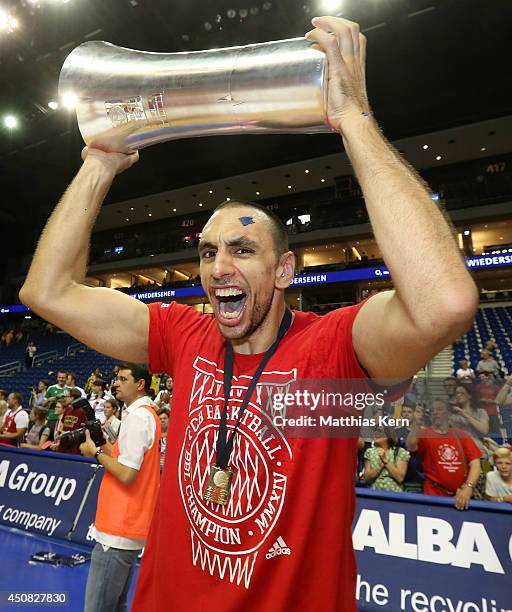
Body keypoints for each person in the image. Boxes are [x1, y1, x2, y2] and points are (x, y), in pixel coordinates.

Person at [19, 16, 478, 611]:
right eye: (208, 252)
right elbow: (46, 290)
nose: (217, 267)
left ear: (284, 271)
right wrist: (101, 161)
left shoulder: (333, 352)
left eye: (241, 250)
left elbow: (445, 302)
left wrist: (356, 122)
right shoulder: (185, 333)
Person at [78, 363, 161, 612]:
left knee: (99, 607)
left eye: (123, 379)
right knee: (115, 605)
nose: (116, 383)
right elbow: (126, 459)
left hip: (118, 527)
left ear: (140, 384)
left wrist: (94, 453)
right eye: (116, 378)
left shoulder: (138, 417)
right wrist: (104, 447)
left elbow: (126, 474)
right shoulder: (146, 415)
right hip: (128, 525)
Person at [407, 399, 481, 509]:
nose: (435, 412)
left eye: (439, 409)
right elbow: (411, 446)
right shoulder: (425, 433)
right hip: (434, 494)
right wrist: (416, 425)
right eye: (432, 410)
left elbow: (475, 464)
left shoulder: (461, 434)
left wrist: (468, 488)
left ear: (448, 413)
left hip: (461, 495)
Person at [361, 426, 409, 492]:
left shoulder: (399, 452)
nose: (376, 433)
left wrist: (386, 461)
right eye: (375, 431)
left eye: (380, 431)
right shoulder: (369, 452)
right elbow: (366, 478)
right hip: (374, 493)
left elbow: (400, 478)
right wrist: (380, 466)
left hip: (394, 494)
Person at [449, 383, 489, 455]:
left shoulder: (480, 412)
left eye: (462, 393)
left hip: (475, 445)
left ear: (469, 395)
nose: (458, 395)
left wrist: (464, 414)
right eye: (457, 393)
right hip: (456, 447)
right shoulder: (451, 414)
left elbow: (484, 430)